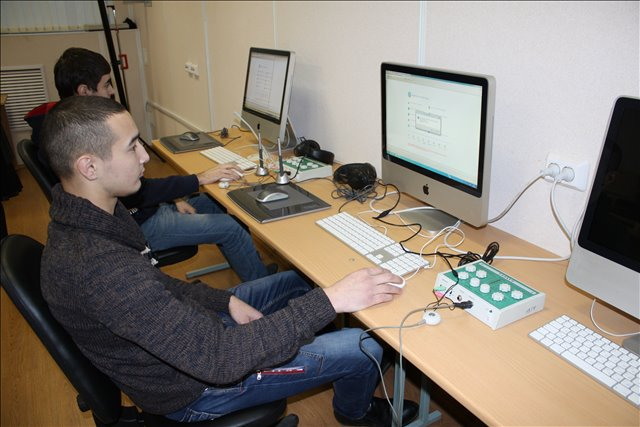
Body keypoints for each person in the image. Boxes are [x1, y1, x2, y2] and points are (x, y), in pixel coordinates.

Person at [39, 95, 419, 426]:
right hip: (196, 390)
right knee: (363, 345)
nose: (144, 156)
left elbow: (157, 284)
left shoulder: (95, 217)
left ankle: (313, 349)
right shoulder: (99, 267)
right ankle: (354, 411)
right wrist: (330, 301)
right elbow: (220, 359)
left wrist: (226, 301)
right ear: (89, 166)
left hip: (193, 339)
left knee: (302, 282)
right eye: (132, 146)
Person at [26, 47, 272, 282]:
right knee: (230, 226)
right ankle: (264, 289)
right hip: (139, 222)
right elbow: (141, 192)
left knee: (218, 201)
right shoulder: (78, 143)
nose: (111, 91)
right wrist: (198, 179)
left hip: (144, 208)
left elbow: (142, 189)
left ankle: (252, 267)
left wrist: (174, 197)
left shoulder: (61, 129)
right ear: (84, 91)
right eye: (106, 84)